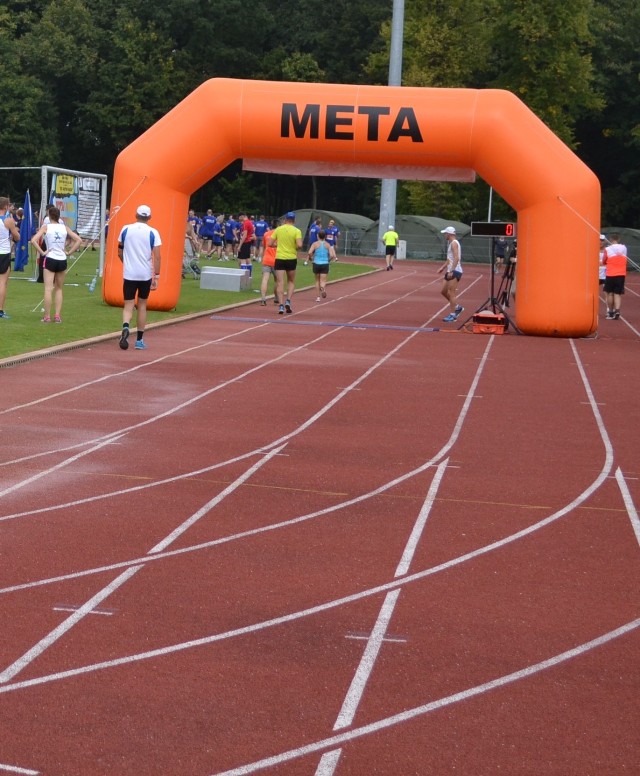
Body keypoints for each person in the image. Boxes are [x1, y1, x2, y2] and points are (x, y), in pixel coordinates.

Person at [117, 204, 162, 350]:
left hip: (129, 273)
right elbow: (157, 257)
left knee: (128, 305)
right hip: (144, 274)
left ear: (135, 215)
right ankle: (139, 340)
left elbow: (119, 251)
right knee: (142, 305)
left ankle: (125, 327)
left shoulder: (125, 229)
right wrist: (157, 276)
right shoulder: (153, 232)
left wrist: (127, 263)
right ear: (149, 217)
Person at [30, 206, 82, 323]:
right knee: (59, 288)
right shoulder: (64, 227)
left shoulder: (46, 227)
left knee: (48, 289)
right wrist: (69, 252)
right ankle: (57, 315)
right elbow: (79, 240)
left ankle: (47, 316)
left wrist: (42, 252)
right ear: (59, 217)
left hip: (50, 258)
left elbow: (33, 240)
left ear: (49, 216)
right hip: (62, 259)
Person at [269, 211, 302, 314]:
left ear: (285, 220)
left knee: (280, 282)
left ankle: (281, 305)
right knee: (291, 281)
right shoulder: (297, 230)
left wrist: (278, 245)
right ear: (294, 220)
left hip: (280, 258)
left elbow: (269, 243)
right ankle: (288, 300)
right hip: (291, 258)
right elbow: (300, 245)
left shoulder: (278, 229)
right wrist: (294, 247)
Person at [438, 225, 463, 322]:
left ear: (449, 234)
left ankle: (453, 315)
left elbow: (457, 258)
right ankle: (457, 307)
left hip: (455, 271)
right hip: (450, 270)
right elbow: (450, 259)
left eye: (445, 233)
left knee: (452, 293)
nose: (444, 235)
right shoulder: (451, 243)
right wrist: (443, 267)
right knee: (443, 291)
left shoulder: (454, 244)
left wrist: (452, 270)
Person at [0, 197, 20, 318]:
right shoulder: (8, 221)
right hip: (3, 253)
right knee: (2, 283)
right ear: (6, 206)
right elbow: (17, 237)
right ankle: (0, 310)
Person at [602, 232, 628, 320]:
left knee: (609, 293)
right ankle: (617, 311)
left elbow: (604, 261)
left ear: (611, 240)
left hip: (610, 274)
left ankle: (610, 311)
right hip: (621, 274)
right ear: (618, 239)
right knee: (617, 294)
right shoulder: (624, 248)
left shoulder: (607, 249)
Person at [308, 229, 336, 301]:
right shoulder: (327, 244)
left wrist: (311, 259)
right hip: (325, 264)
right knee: (323, 281)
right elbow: (332, 255)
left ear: (318, 236)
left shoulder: (315, 244)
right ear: (325, 236)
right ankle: (323, 289)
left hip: (316, 263)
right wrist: (328, 260)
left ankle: (318, 297)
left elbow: (309, 252)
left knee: (317, 280)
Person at [259, 220, 278, 305]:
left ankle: (263, 299)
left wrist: (262, 257)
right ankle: (276, 297)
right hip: (277, 260)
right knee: (277, 280)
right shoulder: (279, 235)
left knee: (265, 280)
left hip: (266, 259)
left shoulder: (266, 234)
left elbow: (263, 246)